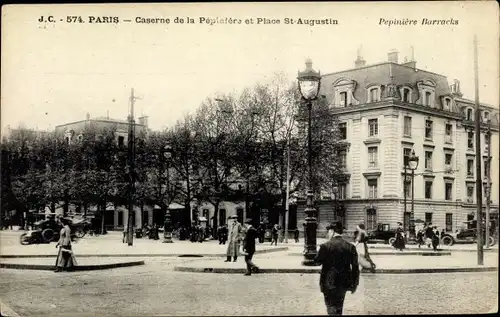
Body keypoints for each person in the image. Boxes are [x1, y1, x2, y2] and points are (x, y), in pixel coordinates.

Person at [315, 222, 360, 316]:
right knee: (339, 307)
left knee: (330, 307)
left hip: (328, 282)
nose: (327, 234)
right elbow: (355, 267)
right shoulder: (350, 246)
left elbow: (317, 261)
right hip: (343, 282)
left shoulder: (325, 246)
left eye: (328, 231)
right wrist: (355, 284)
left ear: (332, 231)